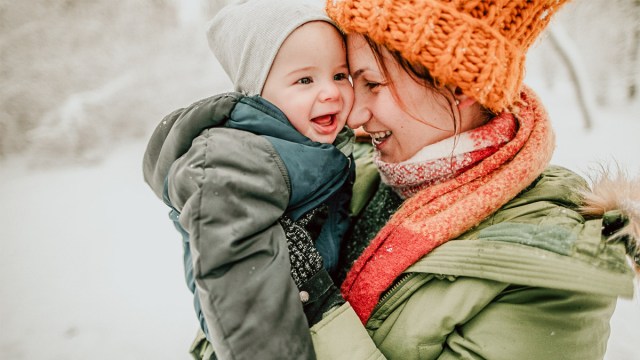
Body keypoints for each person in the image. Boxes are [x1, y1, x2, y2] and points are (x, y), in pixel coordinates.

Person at [282, 0, 639, 359]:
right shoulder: (351, 169)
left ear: (457, 85)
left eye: (373, 84)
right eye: (350, 81)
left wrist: (317, 304)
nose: (354, 114)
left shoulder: (553, 268)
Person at [142, 0, 354, 359]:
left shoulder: (307, 145)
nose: (331, 91)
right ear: (257, 91)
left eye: (339, 75)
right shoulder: (237, 160)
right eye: (305, 79)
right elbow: (246, 298)